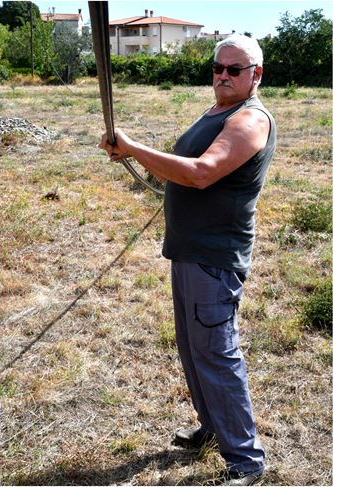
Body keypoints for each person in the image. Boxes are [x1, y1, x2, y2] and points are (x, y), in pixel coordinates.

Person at [99, 34, 275, 486]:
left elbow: (200, 174)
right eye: (217, 68)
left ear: (256, 75)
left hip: (215, 257)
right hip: (190, 251)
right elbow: (185, 166)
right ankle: (212, 429)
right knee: (194, 350)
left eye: (234, 70)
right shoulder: (218, 110)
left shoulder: (249, 120)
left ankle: (247, 460)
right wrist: (137, 155)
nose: (222, 76)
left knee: (216, 354)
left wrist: (135, 147)